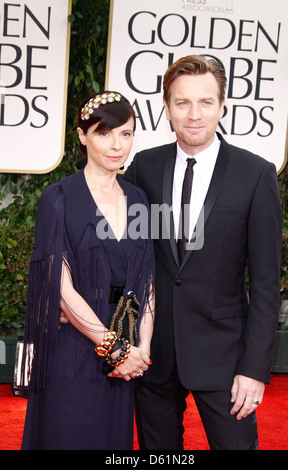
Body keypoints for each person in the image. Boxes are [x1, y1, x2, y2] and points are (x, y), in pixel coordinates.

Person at [123, 55, 282, 450]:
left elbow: (265, 283)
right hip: (154, 356)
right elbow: (127, 260)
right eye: (183, 103)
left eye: (205, 102)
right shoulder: (144, 166)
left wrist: (254, 369)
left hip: (226, 360)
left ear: (222, 106)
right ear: (167, 108)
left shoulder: (256, 174)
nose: (194, 114)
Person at [20, 91, 155, 450]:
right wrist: (115, 349)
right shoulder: (59, 197)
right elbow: (59, 288)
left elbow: (146, 281)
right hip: (75, 349)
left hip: (123, 350)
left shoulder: (139, 199)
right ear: (82, 136)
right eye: (103, 133)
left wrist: (141, 349)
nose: (116, 145)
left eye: (125, 134)